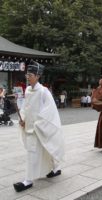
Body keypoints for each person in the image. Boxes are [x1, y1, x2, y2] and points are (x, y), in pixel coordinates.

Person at [13, 61, 64, 192]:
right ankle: (41, 174)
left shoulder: (43, 91)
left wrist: (37, 123)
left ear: (37, 76)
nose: (28, 77)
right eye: (27, 75)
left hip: (39, 127)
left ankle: (31, 179)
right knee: (33, 152)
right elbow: (26, 108)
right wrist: (23, 119)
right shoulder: (28, 91)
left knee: (46, 149)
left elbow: (50, 111)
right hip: (30, 128)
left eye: (30, 75)